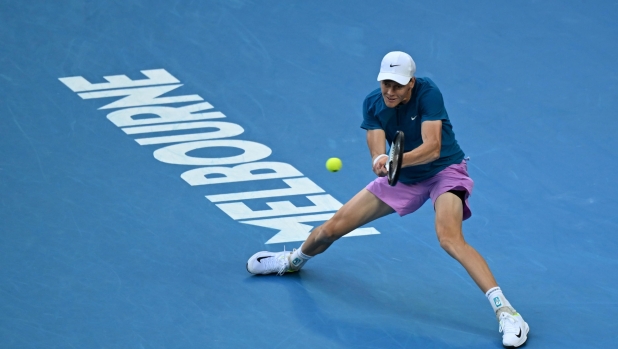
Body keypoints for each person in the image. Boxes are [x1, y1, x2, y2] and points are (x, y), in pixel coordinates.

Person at [246, 51, 529, 347]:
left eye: (398, 85)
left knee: (449, 238)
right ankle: (292, 261)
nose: (391, 91)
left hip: (445, 172)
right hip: (403, 178)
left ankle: (507, 313)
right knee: (331, 229)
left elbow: (433, 148)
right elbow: (377, 146)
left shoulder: (428, 93)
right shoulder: (373, 102)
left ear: (411, 83)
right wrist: (380, 158)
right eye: (386, 84)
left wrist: (396, 162)